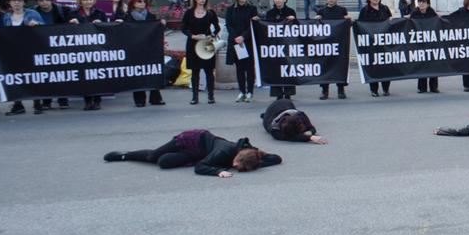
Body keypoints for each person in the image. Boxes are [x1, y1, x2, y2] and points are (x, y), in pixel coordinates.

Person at [103, 130, 280, 177]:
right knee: (153, 157)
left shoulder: (249, 152)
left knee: (164, 163)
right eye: (237, 165)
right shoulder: (222, 153)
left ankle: (161, 158)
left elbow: (276, 159)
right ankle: (124, 155)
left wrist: (261, 158)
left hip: (199, 153)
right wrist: (218, 172)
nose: (234, 167)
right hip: (191, 140)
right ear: (237, 157)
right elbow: (200, 167)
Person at [0, 0, 43, 115]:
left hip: (30, 50)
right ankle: (18, 104)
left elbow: (43, 28)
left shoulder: (32, 13)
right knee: (16, 78)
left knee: (34, 77)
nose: (17, 3)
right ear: (9, 2)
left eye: (20, 0)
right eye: (14, 0)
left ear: (24, 2)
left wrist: (37, 24)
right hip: (13, 51)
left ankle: (37, 103)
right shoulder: (7, 16)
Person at [122, 0, 166, 108]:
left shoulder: (151, 16)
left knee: (153, 71)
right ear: (133, 3)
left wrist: (161, 24)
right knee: (138, 73)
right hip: (135, 49)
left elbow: (157, 32)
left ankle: (155, 97)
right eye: (139, 1)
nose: (142, 3)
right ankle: (139, 99)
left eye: (144, 1)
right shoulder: (127, 17)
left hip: (150, 49)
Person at [69, 0, 110, 111]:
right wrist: (71, 24)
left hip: (97, 49)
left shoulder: (100, 13)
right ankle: (87, 101)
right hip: (81, 50)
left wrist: (101, 24)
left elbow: (108, 30)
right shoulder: (73, 13)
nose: (88, 2)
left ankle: (97, 100)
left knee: (97, 76)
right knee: (84, 76)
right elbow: (65, 31)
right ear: (80, 1)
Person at [30, 0, 70, 110]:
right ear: (37, 2)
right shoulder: (33, 12)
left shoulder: (61, 10)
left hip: (58, 45)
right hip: (41, 46)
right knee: (46, 75)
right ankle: (46, 101)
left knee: (61, 74)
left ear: (51, 0)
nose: (44, 3)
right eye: (41, 0)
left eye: (46, 0)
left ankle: (63, 100)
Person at [262, 0, 298, 100]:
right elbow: (266, 27)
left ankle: (288, 92)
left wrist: (294, 20)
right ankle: (277, 93)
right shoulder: (270, 13)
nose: (278, 0)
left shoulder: (290, 11)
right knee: (276, 69)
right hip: (275, 45)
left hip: (288, 45)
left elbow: (297, 28)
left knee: (288, 67)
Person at [224, 0, 257, 103]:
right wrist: (236, 38)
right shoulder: (231, 9)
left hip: (247, 41)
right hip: (236, 42)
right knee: (239, 68)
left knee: (249, 68)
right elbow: (228, 25)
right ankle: (242, 91)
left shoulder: (252, 8)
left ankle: (250, 92)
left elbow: (252, 25)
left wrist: (243, 36)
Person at [316, 0, 350, 100]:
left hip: (339, 43)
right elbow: (315, 28)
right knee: (325, 66)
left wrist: (348, 20)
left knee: (340, 66)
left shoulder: (342, 10)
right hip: (325, 44)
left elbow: (346, 26)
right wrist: (315, 21)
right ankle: (324, 90)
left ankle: (341, 89)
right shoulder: (321, 11)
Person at [361, 0, 395, 96]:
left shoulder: (384, 8)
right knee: (373, 67)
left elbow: (390, 21)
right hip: (371, 43)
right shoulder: (365, 10)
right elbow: (360, 25)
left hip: (385, 42)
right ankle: (374, 89)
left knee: (386, 66)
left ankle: (386, 88)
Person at [260, 96, 328, 143]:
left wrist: (310, 132)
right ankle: (264, 115)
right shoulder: (274, 130)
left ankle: (264, 114)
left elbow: (312, 128)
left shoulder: (300, 115)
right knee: (265, 117)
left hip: (285, 103)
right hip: (270, 115)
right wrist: (310, 137)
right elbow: (291, 137)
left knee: (286, 102)